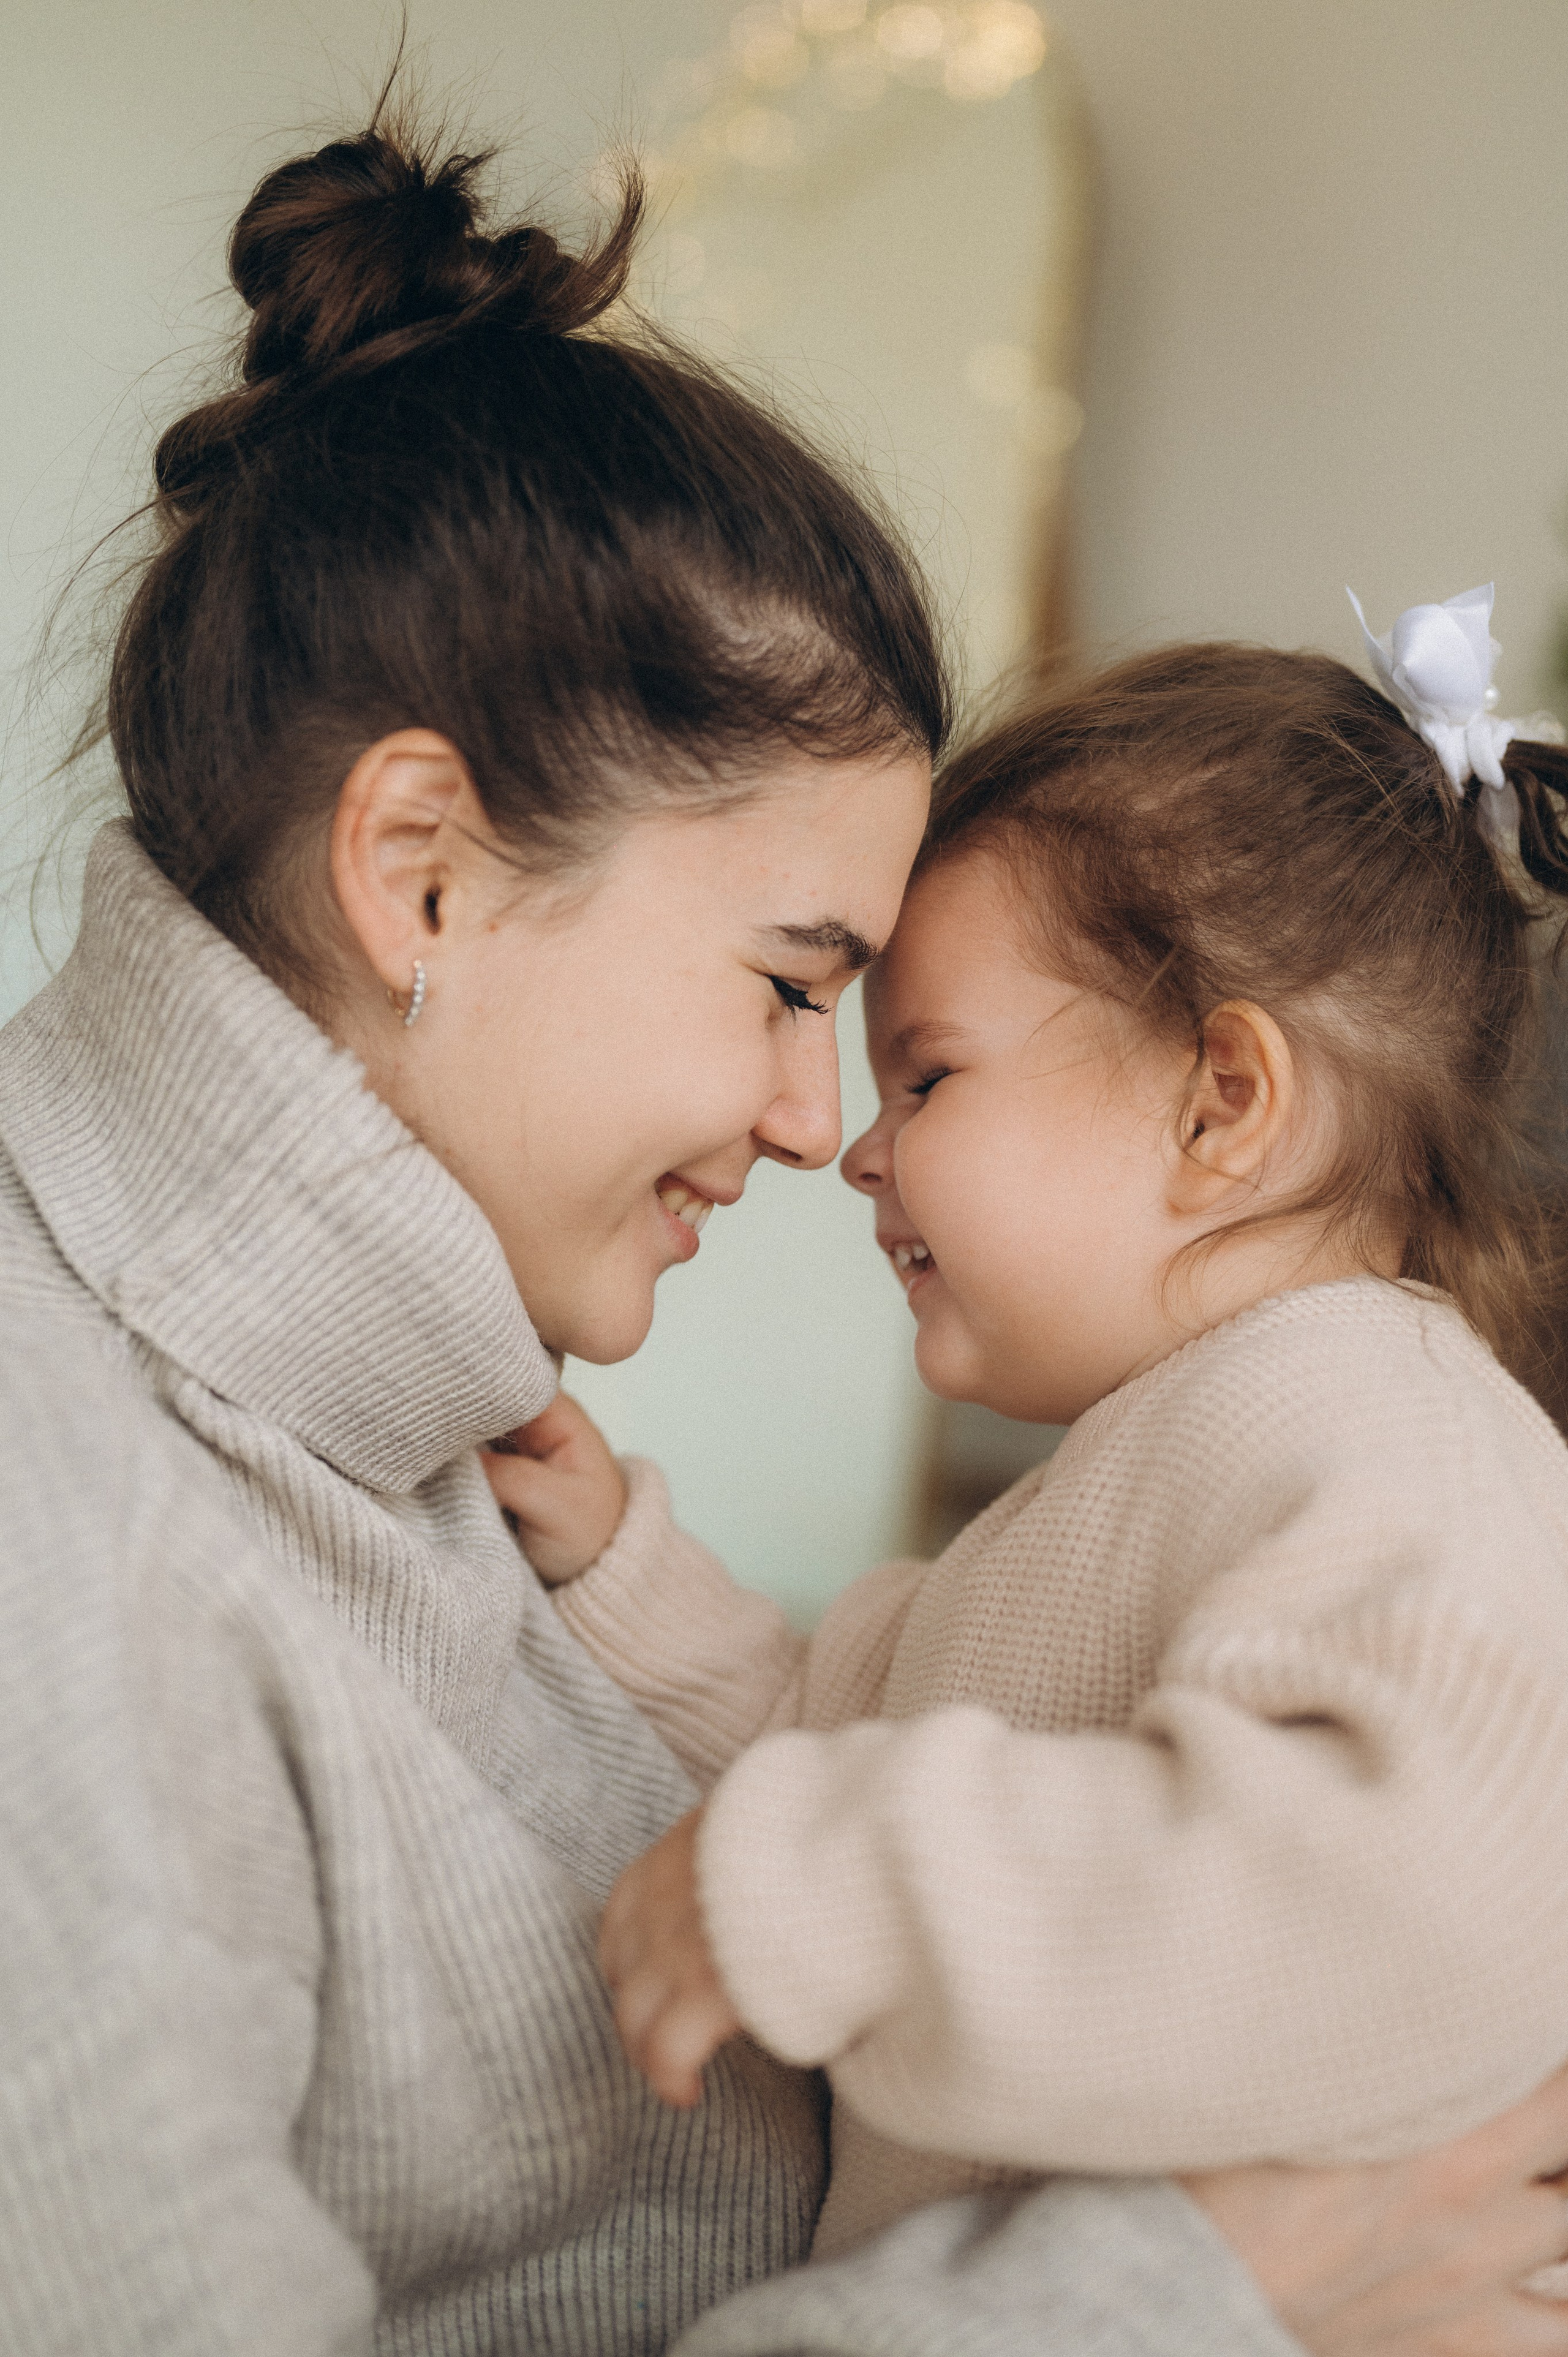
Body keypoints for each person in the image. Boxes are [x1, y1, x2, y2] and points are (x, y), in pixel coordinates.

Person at [3, 90, 1568, 2357]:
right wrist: (1206, 2287)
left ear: (1230, 1103)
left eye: (888, 1048)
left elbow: (1318, 1838)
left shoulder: (1354, 1427)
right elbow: (877, 1724)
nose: (814, 1122)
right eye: (789, 986)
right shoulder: (71, 1520)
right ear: (423, 873)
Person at [486, 600, 1568, 2316]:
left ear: (1224, 1103)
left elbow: (1425, 1887)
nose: (854, 1146)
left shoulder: (1381, 1424)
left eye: (926, 1076)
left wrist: (831, 1894)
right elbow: (830, 1729)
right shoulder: (1154, 1457)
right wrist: (618, 1558)